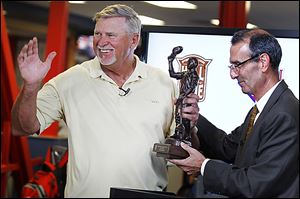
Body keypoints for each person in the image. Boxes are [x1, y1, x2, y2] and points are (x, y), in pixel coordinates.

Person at [11, 4, 200, 198]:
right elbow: (21, 127)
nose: (101, 42)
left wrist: (191, 127)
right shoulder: (69, 80)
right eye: (98, 34)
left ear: (134, 40)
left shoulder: (164, 83)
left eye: (111, 35)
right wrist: (31, 86)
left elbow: (185, 148)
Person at [167, 28, 299, 198]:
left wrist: (203, 167)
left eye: (238, 65)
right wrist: (195, 118)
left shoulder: (284, 114)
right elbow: (226, 147)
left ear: (263, 62)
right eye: (232, 66)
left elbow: (256, 184)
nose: (232, 74)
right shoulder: (265, 108)